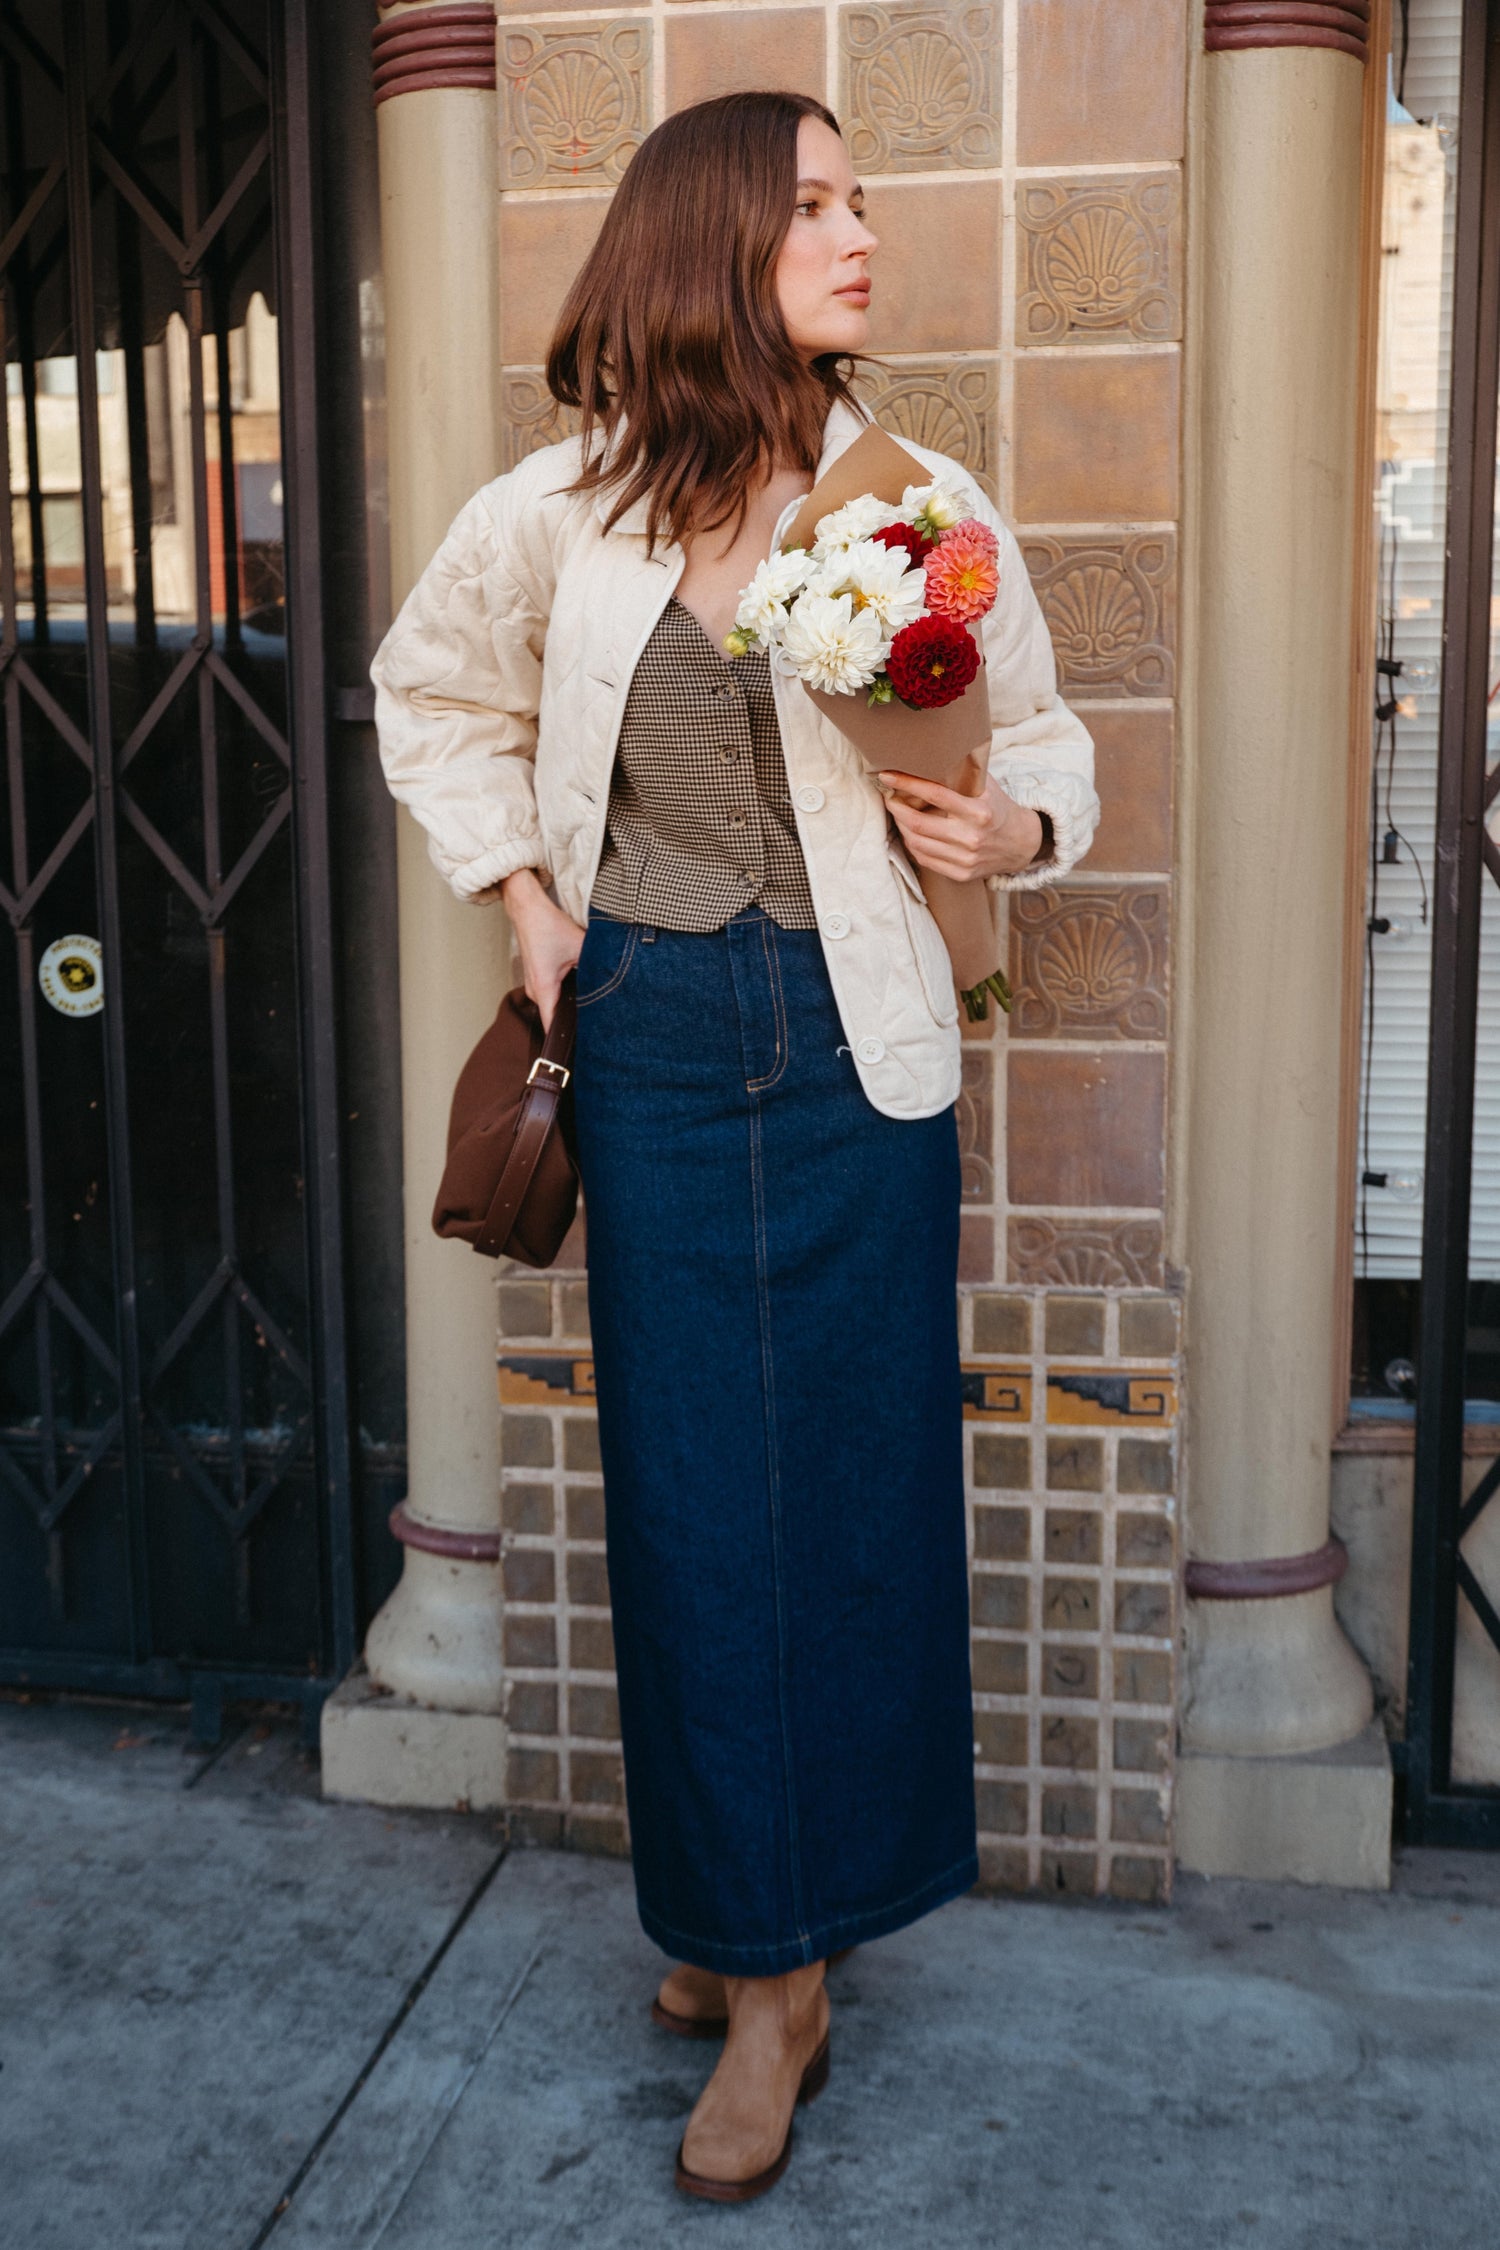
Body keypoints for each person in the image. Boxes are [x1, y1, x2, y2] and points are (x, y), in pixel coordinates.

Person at [371, 88, 1097, 2203]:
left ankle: (787, 1974)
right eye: (817, 208)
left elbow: (1041, 737)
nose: (863, 236)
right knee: (690, 1503)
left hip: (860, 1042)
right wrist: (522, 893)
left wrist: (1013, 825)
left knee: (852, 1490)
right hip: (662, 1048)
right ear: (711, 244)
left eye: (863, 201)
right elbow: (437, 695)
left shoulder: (916, 496)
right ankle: (737, 1940)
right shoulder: (565, 511)